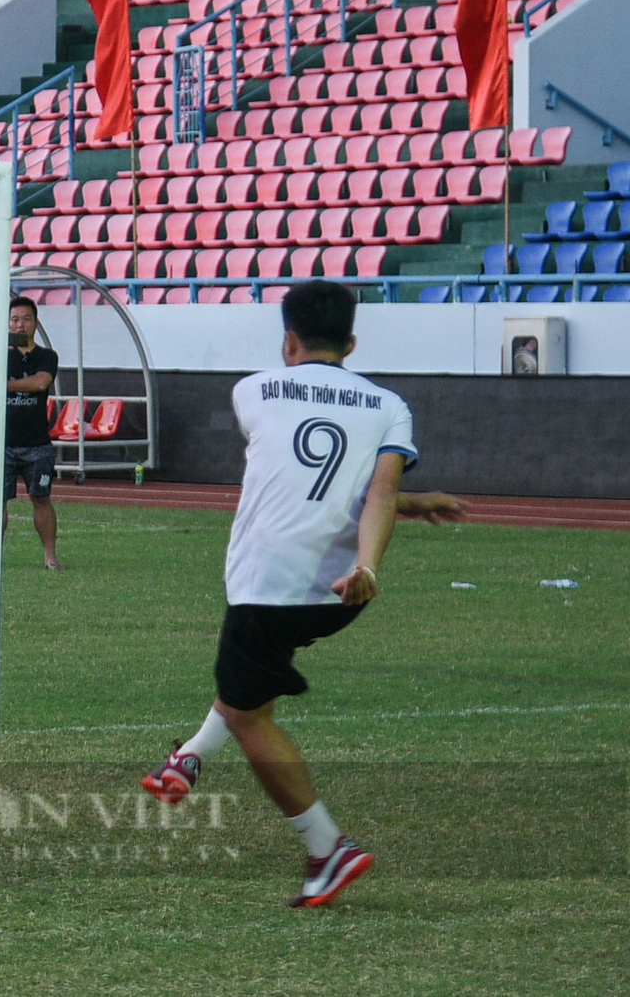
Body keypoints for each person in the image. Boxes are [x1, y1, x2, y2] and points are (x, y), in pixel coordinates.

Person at [139, 281, 468, 908]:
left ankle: (328, 849)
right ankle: (186, 760)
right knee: (248, 675)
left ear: (288, 338)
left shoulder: (252, 390)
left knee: (247, 714)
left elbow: (295, 476)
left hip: (269, 581)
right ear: (351, 342)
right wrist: (374, 556)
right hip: (343, 589)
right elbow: (368, 493)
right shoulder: (388, 405)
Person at [0, 296, 63, 570]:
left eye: (25, 319)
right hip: (1, 443)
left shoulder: (47, 355)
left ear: (35, 323)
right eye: (14, 320)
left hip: (37, 443)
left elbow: (40, 383)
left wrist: (5, 385)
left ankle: (50, 556)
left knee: (41, 498)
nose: (20, 325)